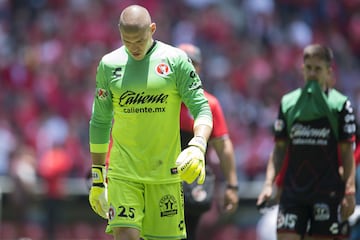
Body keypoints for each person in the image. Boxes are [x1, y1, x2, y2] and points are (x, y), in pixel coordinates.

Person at [88, 5, 213, 240]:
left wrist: (198, 144)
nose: (134, 47)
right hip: (123, 174)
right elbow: (100, 122)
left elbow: (202, 108)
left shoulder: (176, 61)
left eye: (139, 40)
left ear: (152, 29)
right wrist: (97, 177)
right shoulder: (108, 64)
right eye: (127, 41)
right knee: (125, 235)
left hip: (165, 175)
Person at [256, 44, 357, 240]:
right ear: (302, 69)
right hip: (293, 194)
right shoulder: (288, 103)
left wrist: (350, 191)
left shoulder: (340, 105)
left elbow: (347, 152)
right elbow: (279, 150)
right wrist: (269, 183)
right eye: (308, 67)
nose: (312, 73)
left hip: (327, 193)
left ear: (329, 72)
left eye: (317, 69)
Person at [177, 43, 239, 240]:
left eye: (192, 63)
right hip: (158, 180)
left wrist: (232, 186)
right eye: (182, 62)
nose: (187, 67)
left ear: (199, 68)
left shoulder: (209, 104)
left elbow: (223, 146)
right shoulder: (160, 100)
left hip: (190, 184)